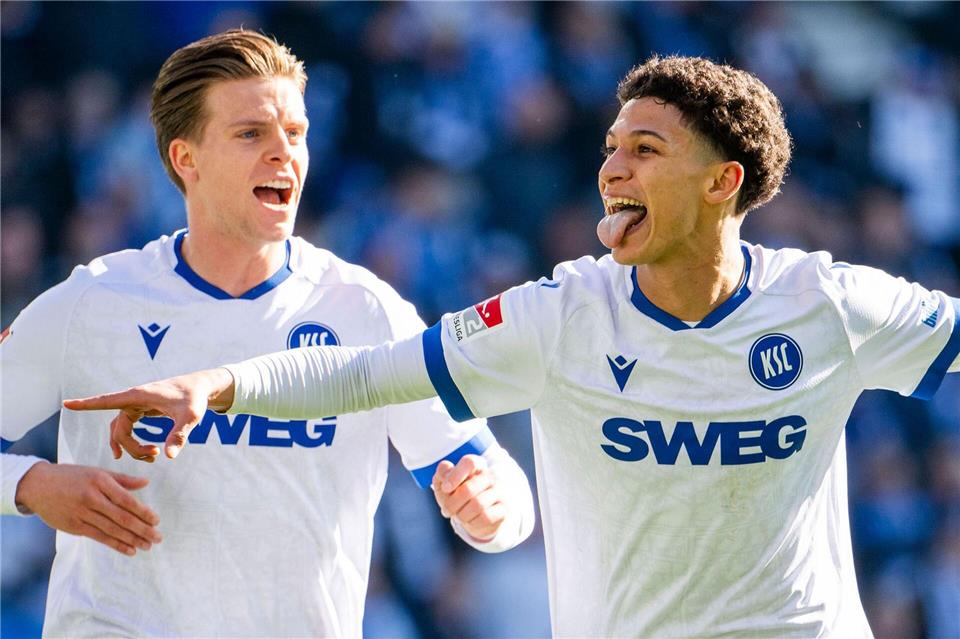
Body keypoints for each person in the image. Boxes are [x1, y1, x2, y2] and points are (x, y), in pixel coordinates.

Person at [67, 54, 960, 638]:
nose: (613, 169)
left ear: (724, 181)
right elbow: (367, 373)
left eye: (645, 150)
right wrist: (223, 383)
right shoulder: (560, 312)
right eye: (611, 148)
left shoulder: (830, 304)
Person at [1, 29, 534, 637]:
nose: (284, 152)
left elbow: (498, 489)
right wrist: (32, 485)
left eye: (296, 133)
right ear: (186, 158)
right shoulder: (92, 302)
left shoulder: (364, 311)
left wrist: (490, 510)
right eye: (251, 133)